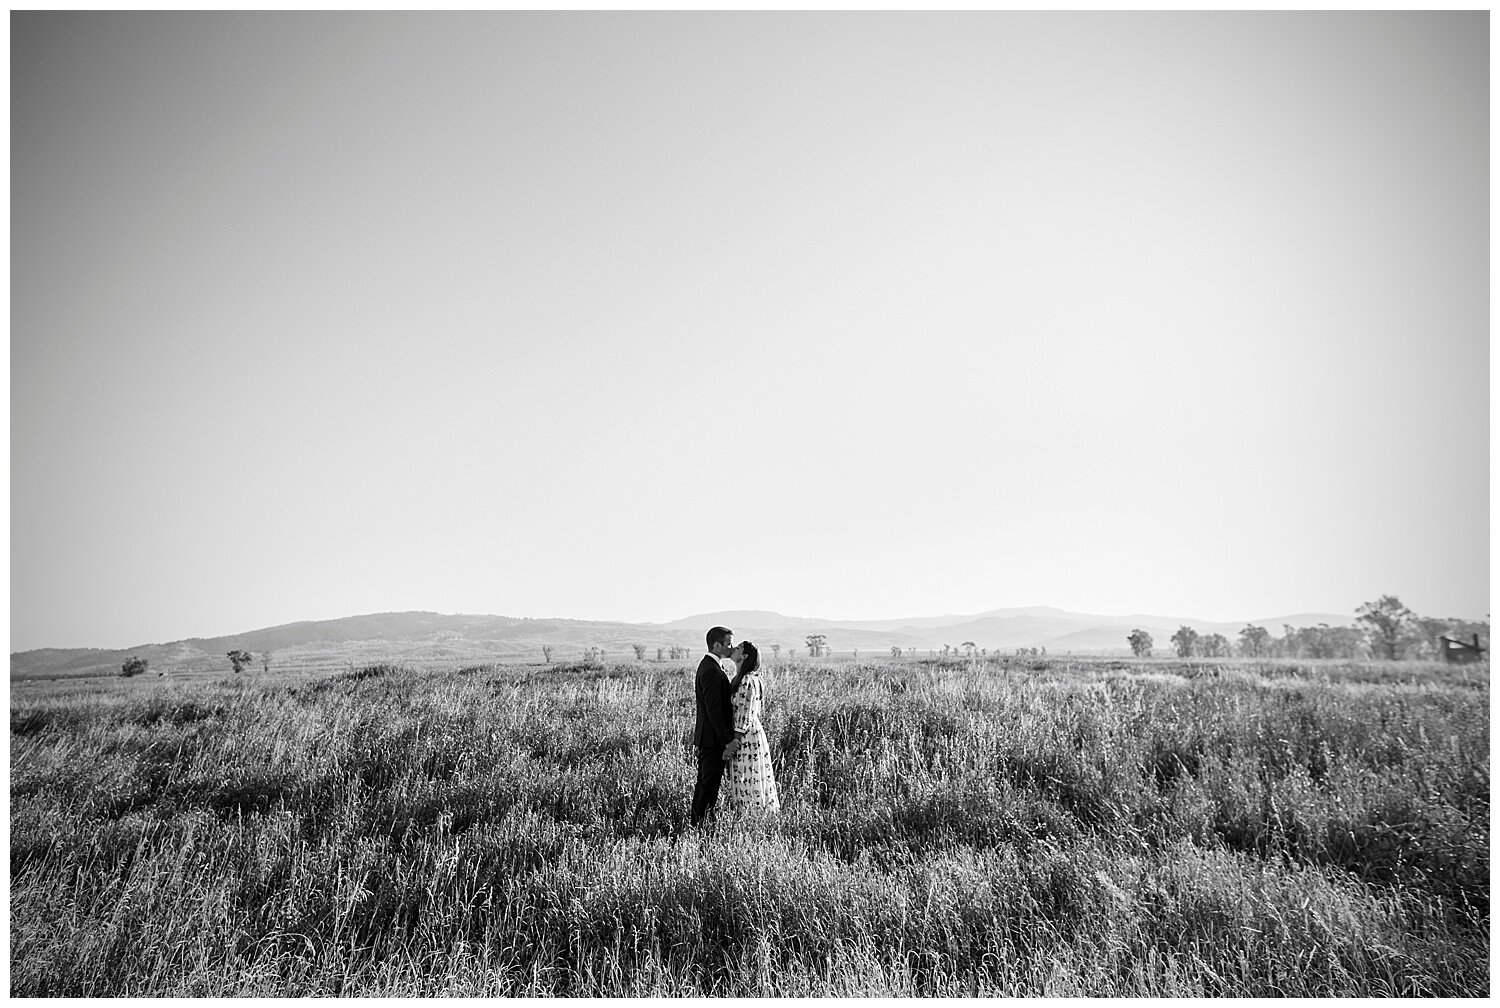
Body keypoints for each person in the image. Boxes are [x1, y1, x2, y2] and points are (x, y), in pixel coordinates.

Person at [690, 626, 743, 827]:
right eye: (728, 643)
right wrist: (727, 740)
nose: (732, 647)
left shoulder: (713, 666)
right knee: (707, 784)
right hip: (712, 740)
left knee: (708, 783)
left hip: (711, 738)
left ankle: (701, 822)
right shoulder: (710, 670)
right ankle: (699, 824)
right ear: (717, 645)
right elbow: (714, 711)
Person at [723, 641, 780, 813]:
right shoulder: (745, 678)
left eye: (738, 648)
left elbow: (745, 714)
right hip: (748, 733)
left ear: (745, 656)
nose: (734, 649)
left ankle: (752, 815)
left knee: (748, 777)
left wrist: (734, 742)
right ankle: (751, 815)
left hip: (745, 736)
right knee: (749, 777)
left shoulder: (747, 679)